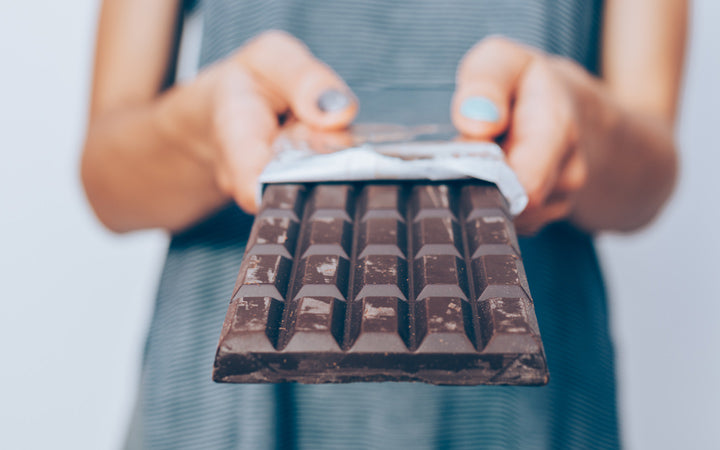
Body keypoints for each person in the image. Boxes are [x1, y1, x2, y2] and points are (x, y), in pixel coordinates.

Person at [81, 0, 686, 448]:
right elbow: (106, 173)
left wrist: (582, 128)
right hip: (230, 410)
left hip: (522, 405)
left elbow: (650, 173)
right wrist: (204, 134)